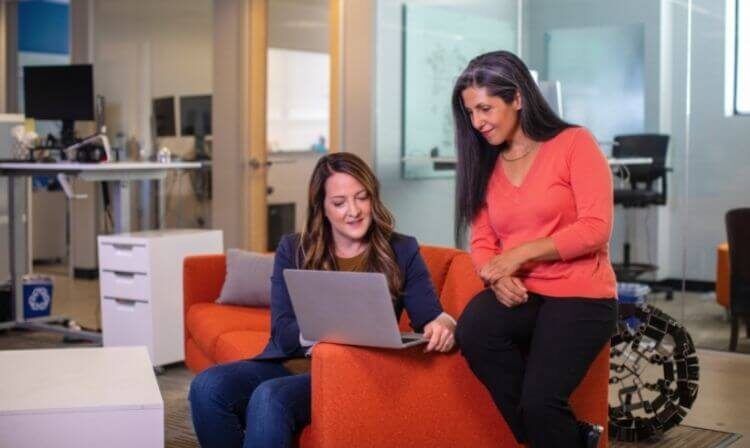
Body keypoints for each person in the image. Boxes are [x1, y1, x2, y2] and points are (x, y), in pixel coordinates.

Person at [189, 152, 456, 448]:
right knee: (207, 387)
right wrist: (322, 332)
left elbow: (430, 316)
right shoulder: (294, 249)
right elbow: (283, 330)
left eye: (362, 198)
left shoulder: (402, 249)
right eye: (339, 203)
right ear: (323, 208)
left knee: (269, 398)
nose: (353, 211)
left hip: (353, 371)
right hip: (291, 362)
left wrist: (445, 324)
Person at [451, 50, 618, 448]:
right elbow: (482, 240)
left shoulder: (574, 143)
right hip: (524, 294)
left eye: (486, 108)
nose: (478, 122)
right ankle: (573, 439)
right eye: (470, 113)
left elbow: (596, 229)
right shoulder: (486, 163)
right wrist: (496, 275)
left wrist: (518, 256)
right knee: (474, 327)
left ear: (518, 98)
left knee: (540, 402)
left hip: (581, 296)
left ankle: (550, 426)